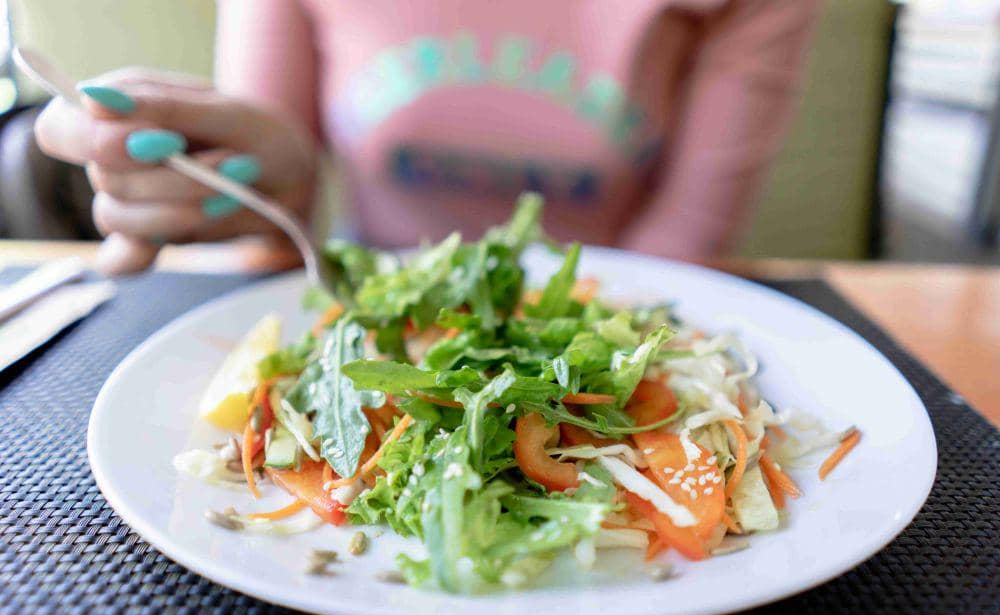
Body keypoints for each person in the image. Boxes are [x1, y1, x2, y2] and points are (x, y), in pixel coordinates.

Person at [34, 0, 820, 274]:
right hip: (367, 303)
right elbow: (277, 219)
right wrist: (247, 188)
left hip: (621, 315)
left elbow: (680, 250)